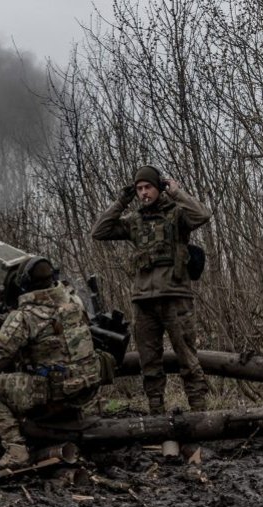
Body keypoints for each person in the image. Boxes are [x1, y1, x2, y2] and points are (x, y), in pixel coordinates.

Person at [0, 257, 102, 471]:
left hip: (55, 392)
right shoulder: (75, 303)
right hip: (87, 387)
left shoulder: (25, 317)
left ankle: (16, 451)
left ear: (24, 285)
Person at [91, 165, 211, 414]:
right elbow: (99, 231)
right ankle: (156, 411)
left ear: (159, 188)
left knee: (187, 357)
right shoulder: (134, 221)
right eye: (139, 189)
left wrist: (177, 193)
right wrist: (122, 201)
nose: (144, 193)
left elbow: (203, 215)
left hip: (176, 296)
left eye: (148, 187)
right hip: (143, 299)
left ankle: (200, 412)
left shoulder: (178, 214)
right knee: (149, 361)